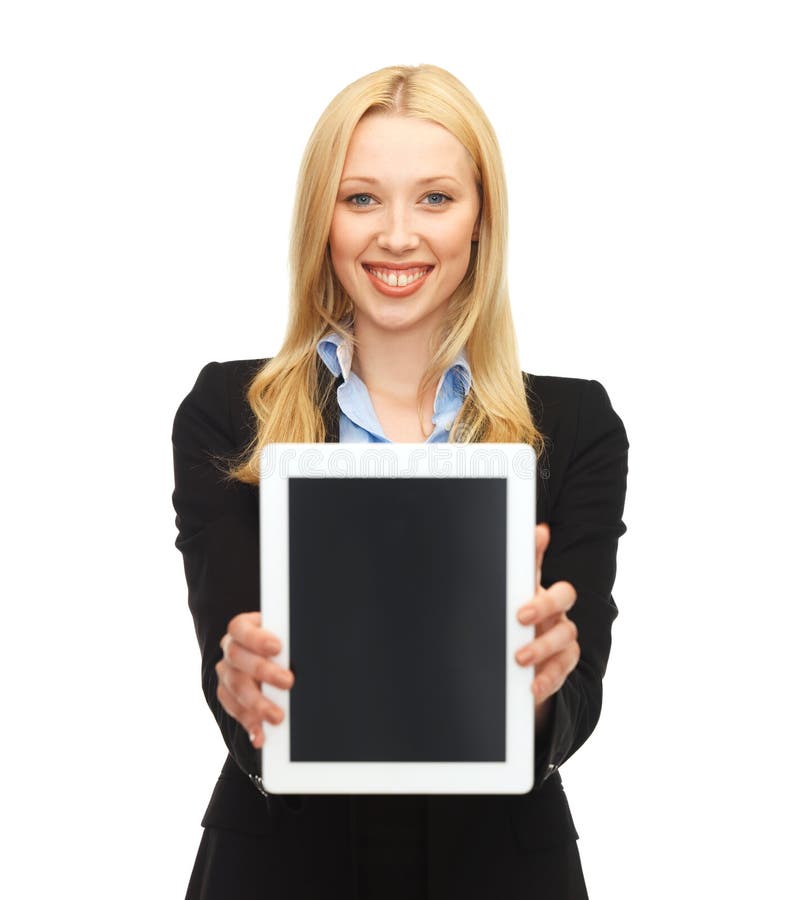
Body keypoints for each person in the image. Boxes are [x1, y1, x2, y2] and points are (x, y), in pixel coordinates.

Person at [171, 63, 629, 900]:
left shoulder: (574, 428)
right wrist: (240, 684)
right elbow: (232, 684)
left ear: (481, 219)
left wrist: (539, 690)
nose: (396, 235)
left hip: (498, 872)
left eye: (435, 198)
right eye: (360, 199)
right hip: (279, 869)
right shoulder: (227, 413)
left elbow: (575, 704)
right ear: (323, 219)